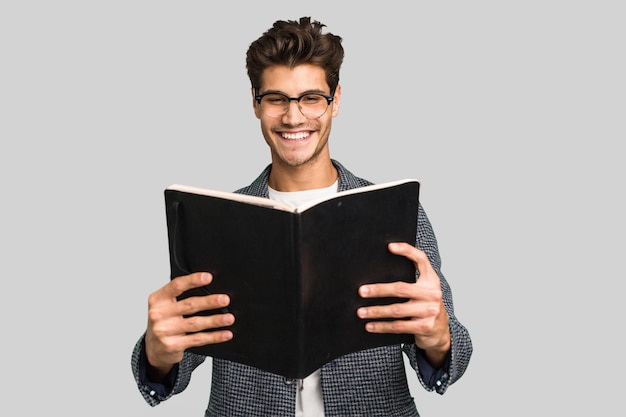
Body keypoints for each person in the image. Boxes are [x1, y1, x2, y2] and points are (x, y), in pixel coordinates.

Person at [131, 16, 472, 417]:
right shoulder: (215, 219)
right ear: (255, 103)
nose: (294, 118)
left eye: (311, 98)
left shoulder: (393, 211)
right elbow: (184, 344)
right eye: (277, 98)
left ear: (337, 100)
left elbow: (453, 354)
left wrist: (439, 336)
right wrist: (157, 351)